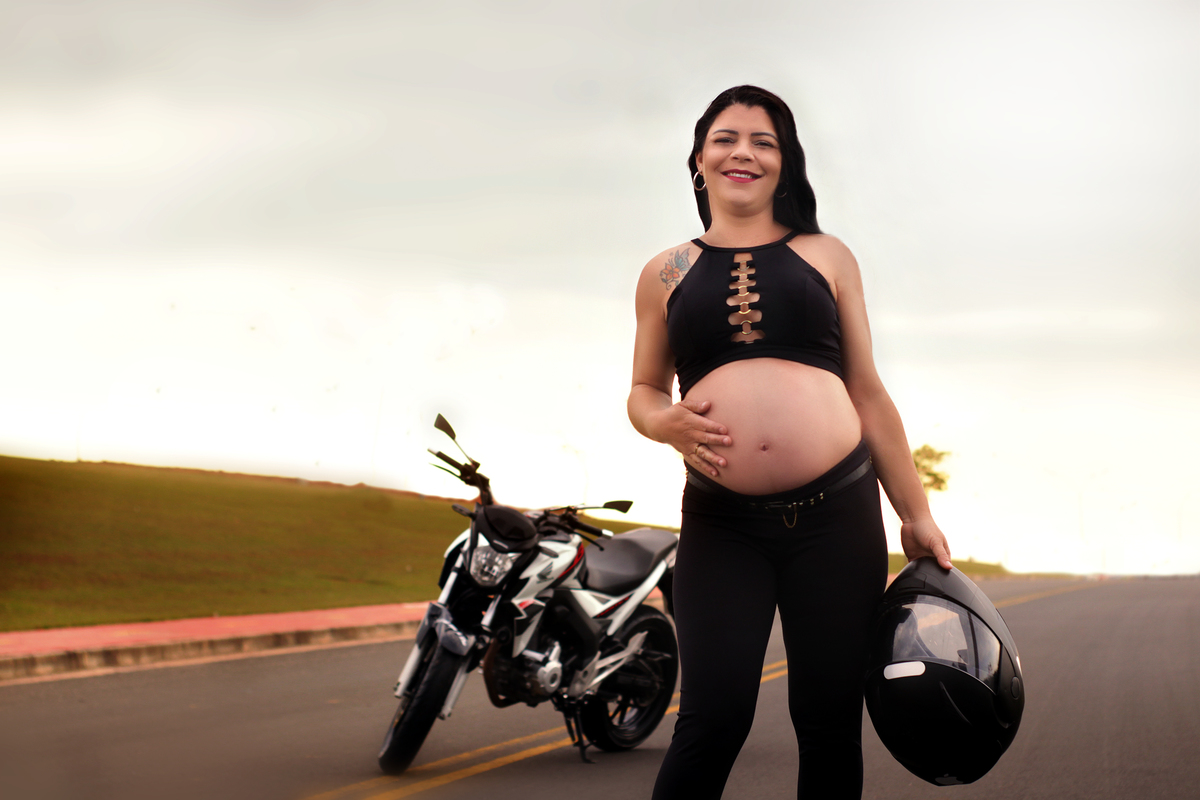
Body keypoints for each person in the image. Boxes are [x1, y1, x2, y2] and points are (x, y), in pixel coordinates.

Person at [627, 85, 953, 800]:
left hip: (837, 520)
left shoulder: (826, 255)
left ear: (785, 163)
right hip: (722, 526)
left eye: (763, 141)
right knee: (711, 720)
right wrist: (661, 422)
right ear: (699, 159)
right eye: (726, 138)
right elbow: (644, 391)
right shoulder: (665, 273)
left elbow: (867, 390)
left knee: (829, 722)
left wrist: (915, 511)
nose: (743, 151)